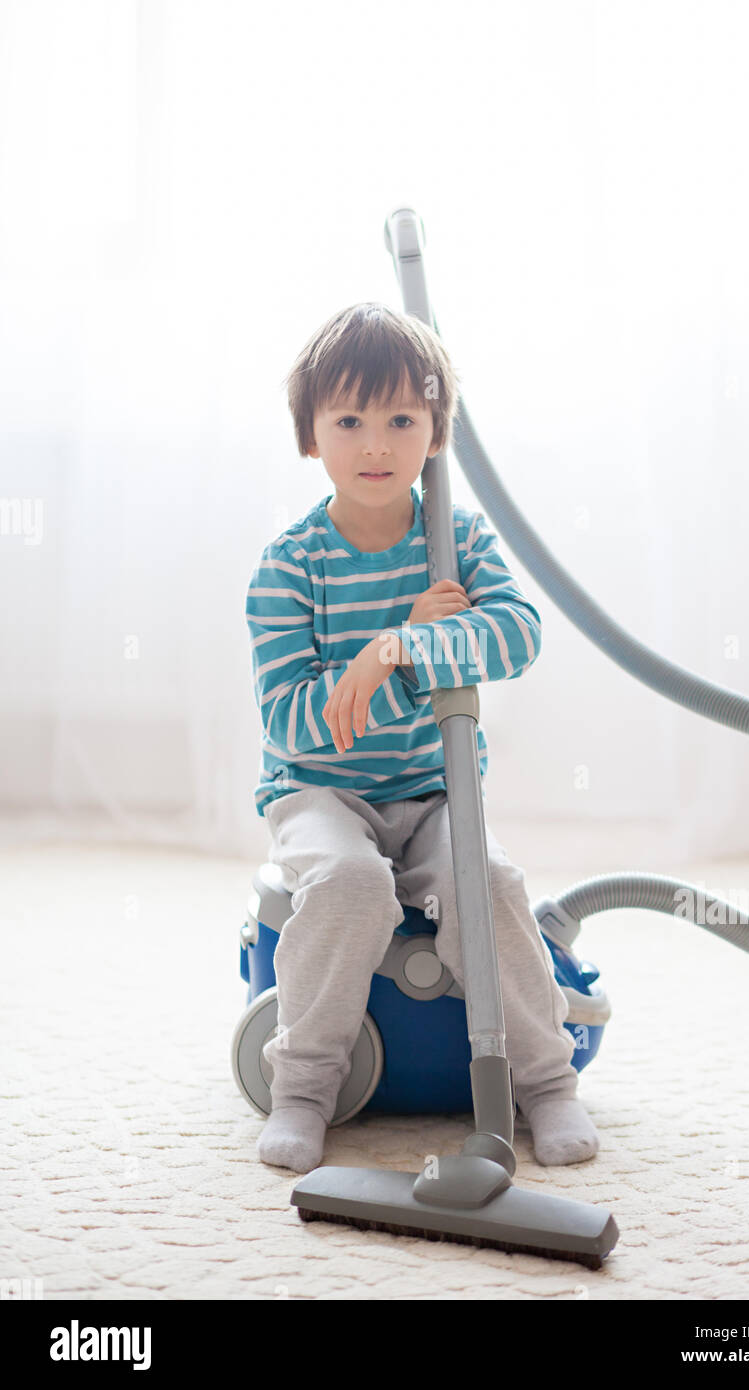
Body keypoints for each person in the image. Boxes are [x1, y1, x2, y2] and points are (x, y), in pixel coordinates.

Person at [245, 302, 599, 1172]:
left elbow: (516, 635)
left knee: (493, 881)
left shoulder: (457, 542)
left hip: (436, 789)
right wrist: (376, 651)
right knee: (354, 882)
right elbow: (295, 719)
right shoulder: (289, 567)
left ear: (437, 431)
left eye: (403, 419)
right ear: (310, 437)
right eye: (350, 420)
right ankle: (304, 1086)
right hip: (322, 792)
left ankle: (546, 1085)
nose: (376, 444)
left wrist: (403, 648)